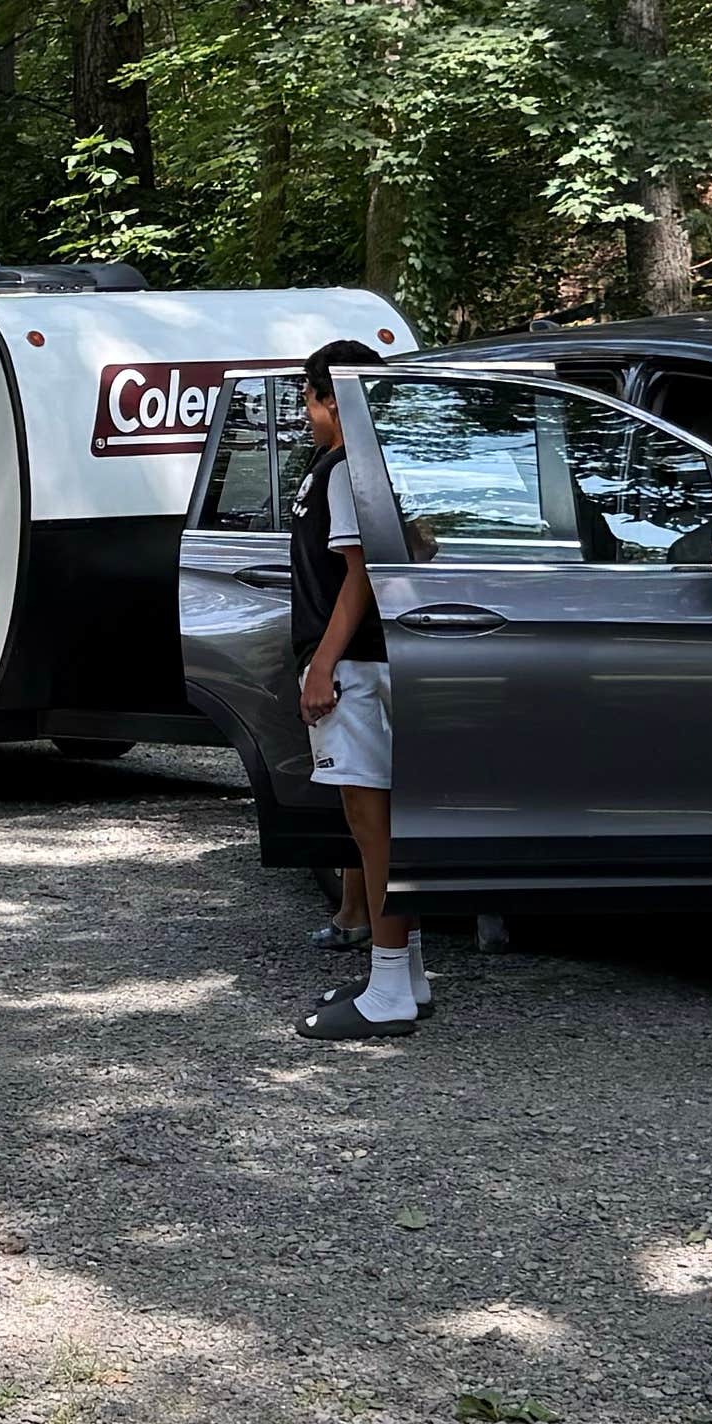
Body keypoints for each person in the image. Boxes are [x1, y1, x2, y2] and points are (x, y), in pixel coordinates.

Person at [288, 349, 426, 1040]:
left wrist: (323, 664)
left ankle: (390, 988)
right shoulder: (364, 467)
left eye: (309, 399)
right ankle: (407, 974)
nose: (305, 414)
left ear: (332, 398)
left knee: (376, 828)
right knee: (376, 824)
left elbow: (359, 576)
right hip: (368, 662)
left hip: (359, 667)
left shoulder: (346, 469)